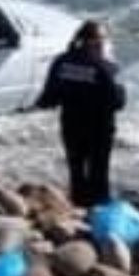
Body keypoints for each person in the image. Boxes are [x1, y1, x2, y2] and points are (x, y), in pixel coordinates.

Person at [37, 20, 127, 207]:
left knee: (76, 169)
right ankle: (98, 211)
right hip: (99, 129)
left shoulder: (61, 61)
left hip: (71, 126)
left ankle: (79, 206)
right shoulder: (103, 66)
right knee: (99, 172)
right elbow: (117, 102)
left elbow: (48, 98)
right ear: (96, 41)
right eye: (104, 38)